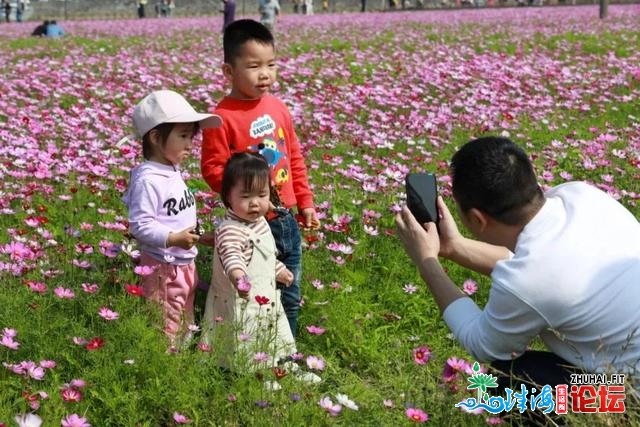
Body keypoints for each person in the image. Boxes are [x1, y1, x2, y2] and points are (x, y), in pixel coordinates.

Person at [396, 136, 640, 393]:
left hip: (627, 392)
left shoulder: (529, 281)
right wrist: (454, 247)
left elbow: (481, 343)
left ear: (477, 219)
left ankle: (618, 415)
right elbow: (541, 269)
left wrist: (426, 263)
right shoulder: (581, 194)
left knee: (510, 380)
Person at [201, 19, 320, 338]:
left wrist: (305, 201)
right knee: (253, 294)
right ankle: (252, 352)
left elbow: (294, 157)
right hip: (249, 225)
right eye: (254, 66)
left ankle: (286, 354)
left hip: (285, 219)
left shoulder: (278, 108)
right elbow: (213, 169)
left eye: (271, 64)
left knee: (290, 292)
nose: (265, 73)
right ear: (229, 71)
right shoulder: (221, 117)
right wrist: (245, 195)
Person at [201, 153, 321, 387]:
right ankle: (256, 376)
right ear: (228, 197)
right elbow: (231, 256)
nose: (255, 203)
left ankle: (285, 365)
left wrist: (279, 269)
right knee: (248, 340)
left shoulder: (259, 222)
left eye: (262, 195)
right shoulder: (230, 229)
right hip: (242, 301)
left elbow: (264, 254)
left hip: (265, 298)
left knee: (276, 335)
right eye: (245, 196)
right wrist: (238, 276)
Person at [123, 90, 222, 351]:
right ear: (156, 137)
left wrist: (199, 237)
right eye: (183, 136)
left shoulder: (170, 170)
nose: (191, 144)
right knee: (166, 322)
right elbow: (140, 225)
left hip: (183, 262)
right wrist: (174, 238)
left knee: (184, 316)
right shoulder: (147, 179)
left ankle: (179, 359)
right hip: (163, 268)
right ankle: (165, 367)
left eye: (191, 136)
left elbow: (174, 215)